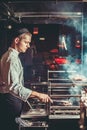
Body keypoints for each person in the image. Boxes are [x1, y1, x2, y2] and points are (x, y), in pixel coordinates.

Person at [0, 27, 53, 130]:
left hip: (11, 100)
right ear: (17, 40)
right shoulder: (11, 58)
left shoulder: (11, 56)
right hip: (10, 102)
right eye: (26, 42)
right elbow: (14, 87)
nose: (28, 46)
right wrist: (38, 94)